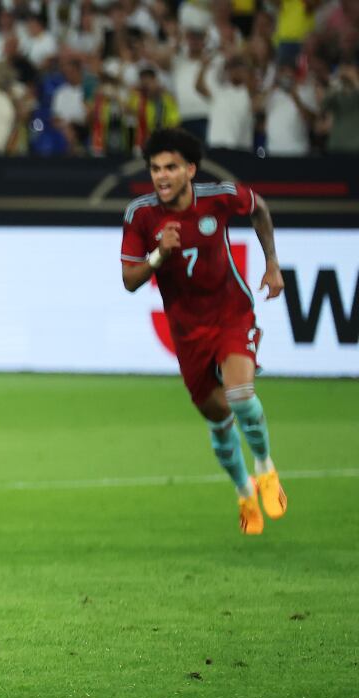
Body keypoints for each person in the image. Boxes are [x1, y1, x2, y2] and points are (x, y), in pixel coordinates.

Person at [120, 128, 287, 535]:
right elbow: (129, 279)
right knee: (218, 418)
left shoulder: (219, 196)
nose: (162, 176)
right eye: (156, 168)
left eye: (171, 167)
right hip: (187, 331)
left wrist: (272, 263)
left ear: (190, 169)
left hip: (231, 313)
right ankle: (244, 490)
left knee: (241, 394)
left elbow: (259, 207)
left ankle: (265, 466)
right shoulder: (140, 215)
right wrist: (160, 254)